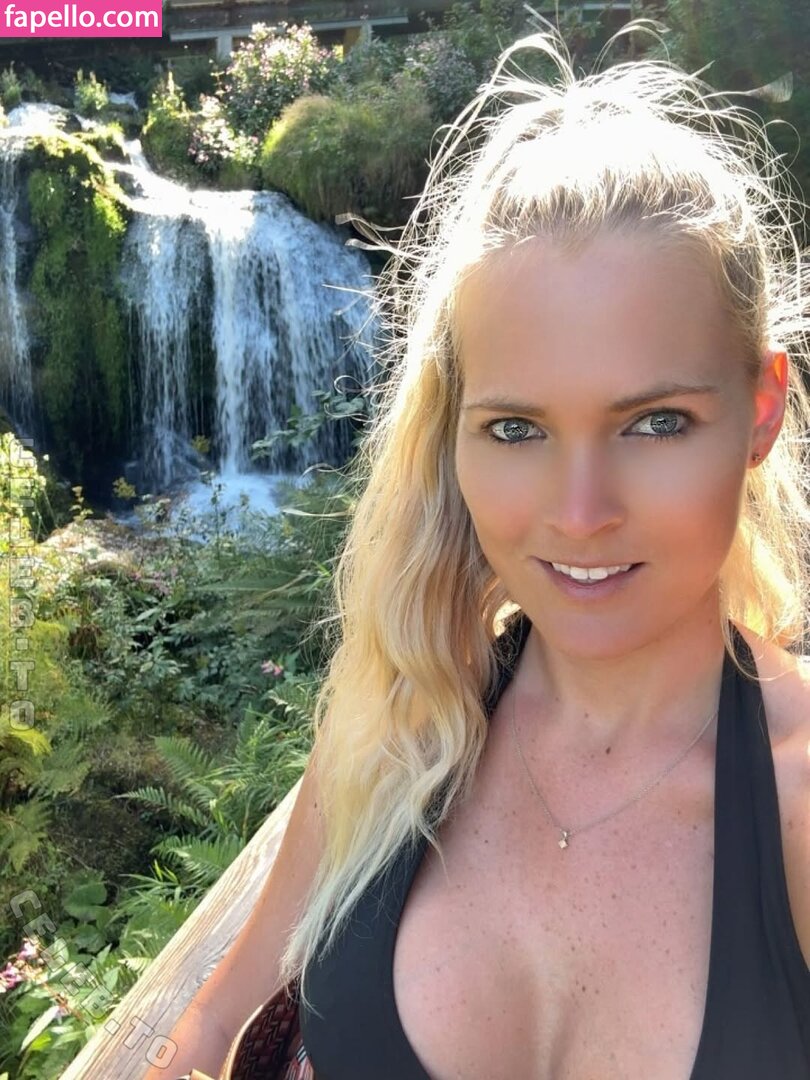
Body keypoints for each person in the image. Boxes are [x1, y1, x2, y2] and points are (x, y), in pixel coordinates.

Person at [150, 19, 810, 1080]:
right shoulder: (402, 723)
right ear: (452, 433)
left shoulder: (795, 805)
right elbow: (207, 1034)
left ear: (762, 410)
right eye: (516, 430)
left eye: (656, 423)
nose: (580, 513)